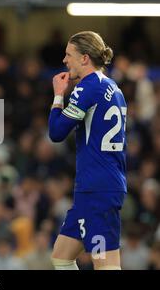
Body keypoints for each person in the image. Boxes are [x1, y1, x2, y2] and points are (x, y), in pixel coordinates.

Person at [48, 31, 127, 270]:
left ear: (84, 58)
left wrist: (58, 96)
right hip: (96, 186)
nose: (64, 60)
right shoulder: (113, 87)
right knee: (61, 256)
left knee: (106, 265)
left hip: (98, 188)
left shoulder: (88, 87)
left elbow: (57, 132)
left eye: (68, 54)